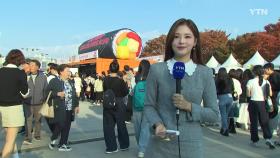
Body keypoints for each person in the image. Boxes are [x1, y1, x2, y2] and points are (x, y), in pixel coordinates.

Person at [143, 18, 219, 158]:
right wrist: (157, 124)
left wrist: (189, 106)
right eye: (176, 37)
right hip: (159, 146)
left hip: (191, 147)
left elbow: (214, 115)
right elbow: (149, 105)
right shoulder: (156, 70)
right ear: (171, 41)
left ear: (195, 42)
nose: (181, 41)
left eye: (187, 36)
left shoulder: (205, 73)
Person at [0, 49, 28, 158]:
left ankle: (15, 155)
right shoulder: (20, 74)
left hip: (1, 107)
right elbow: (25, 93)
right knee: (10, 141)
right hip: (13, 109)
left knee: (9, 138)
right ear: (20, 60)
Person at [47, 64, 79, 151]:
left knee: (67, 126)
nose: (69, 72)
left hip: (69, 108)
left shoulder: (71, 81)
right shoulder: (54, 81)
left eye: (69, 70)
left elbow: (75, 94)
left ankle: (62, 144)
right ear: (61, 72)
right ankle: (53, 139)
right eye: (67, 70)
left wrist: (76, 105)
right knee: (60, 124)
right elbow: (46, 93)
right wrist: (57, 94)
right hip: (59, 107)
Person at [103, 60, 130, 154]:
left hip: (107, 103)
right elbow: (126, 92)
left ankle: (111, 147)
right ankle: (124, 145)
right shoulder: (120, 80)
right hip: (118, 102)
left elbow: (104, 90)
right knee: (121, 125)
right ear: (118, 69)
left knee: (108, 126)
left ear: (110, 69)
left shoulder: (105, 79)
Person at [246, 65, 275, 149]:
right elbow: (270, 94)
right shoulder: (266, 82)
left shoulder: (250, 81)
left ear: (254, 72)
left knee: (254, 122)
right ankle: (268, 138)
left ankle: (255, 140)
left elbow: (248, 94)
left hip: (253, 102)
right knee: (264, 121)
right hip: (263, 103)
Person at [24, 59, 48, 144]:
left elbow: (46, 89)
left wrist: (44, 100)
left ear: (38, 67)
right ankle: (28, 138)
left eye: (32, 65)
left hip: (39, 103)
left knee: (38, 120)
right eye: (29, 65)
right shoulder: (25, 76)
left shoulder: (43, 77)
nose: (30, 67)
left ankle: (37, 135)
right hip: (28, 103)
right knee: (28, 121)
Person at [132, 60, 151, 158]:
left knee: (137, 128)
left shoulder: (137, 76)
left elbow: (133, 90)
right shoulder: (152, 76)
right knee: (145, 128)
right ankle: (142, 150)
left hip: (136, 106)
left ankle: (141, 147)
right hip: (148, 106)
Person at [216, 68, 234, 136]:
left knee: (223, 114)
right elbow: (233, 88)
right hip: (230, 97)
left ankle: (225, 129)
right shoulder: (230, 79)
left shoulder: (217, 79)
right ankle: (223, 128)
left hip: (222, 97)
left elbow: (215, 89)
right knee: (226, 114)